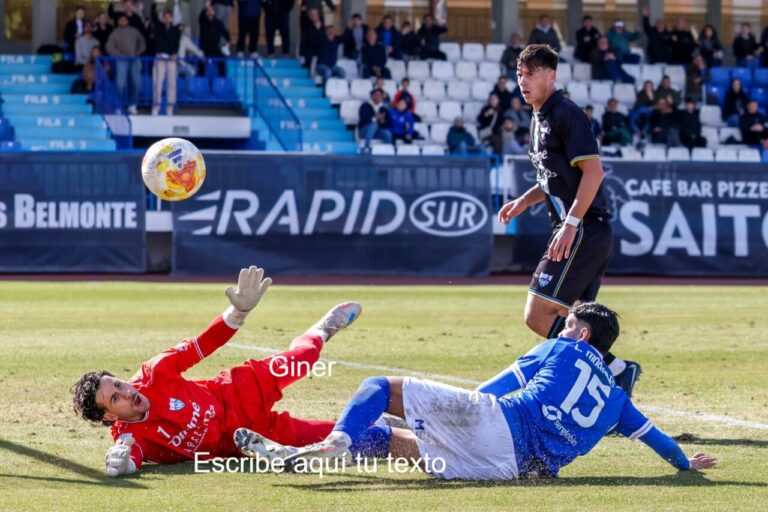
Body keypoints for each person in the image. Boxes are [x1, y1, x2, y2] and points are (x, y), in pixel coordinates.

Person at [239, 302, 717, 481]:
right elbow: (660, 442)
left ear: (583, 333)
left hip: (496, 423)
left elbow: (502, 385)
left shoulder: (562, 350)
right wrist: (684, 464)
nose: (562, 328)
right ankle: (298, 454)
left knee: (378, 389)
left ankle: (335, 441)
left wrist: (452, 409)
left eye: (569, 324)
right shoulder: (618, 401)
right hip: (509, 470)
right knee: (394, 444)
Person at [71, 266, 363, 477]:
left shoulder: (154, 373)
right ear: (109, 416)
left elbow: (203, 344)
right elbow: (130, 458)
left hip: (236, 392)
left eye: (119, 384)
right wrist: (121, 466)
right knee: (342, 437)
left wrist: (238, 313)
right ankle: (386, 421)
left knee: (304, 358)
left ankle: (322, 329)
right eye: (115, 398)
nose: (126, 392)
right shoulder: (129, 436)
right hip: (246, 438)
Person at [498, 45, 640, 396]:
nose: (523, 80)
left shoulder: (566, 114)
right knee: (578, 323)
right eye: (520, 74)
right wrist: (523, 200)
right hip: (584, 231)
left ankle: (612, 373)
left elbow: (593, 173)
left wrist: (572, 223)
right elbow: (552, 177)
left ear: (551, 75)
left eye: (531, 73)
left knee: (537, 315)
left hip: (583, 230)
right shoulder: (538, 117)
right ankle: (616, 374)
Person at [106, 13, 146, 115]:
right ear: (118, 22)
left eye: (125, 20)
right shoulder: (115, 33)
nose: (123, 21)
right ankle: (119, 105)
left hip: (134, 59)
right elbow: (109, 47)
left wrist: (138, 51)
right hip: (121, 60)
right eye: (121, 20)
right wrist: (119, 54)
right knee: (120, 84)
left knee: (136, 83)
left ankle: (132, 105)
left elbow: (142, 42)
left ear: (127, 21)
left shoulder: (134, 31)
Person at [152, 8, 181, 116]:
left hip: (171, 59)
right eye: (165, 17)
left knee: (172, 84)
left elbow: (177, 43)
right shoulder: (159, 27)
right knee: (158, 83)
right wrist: (154, 4)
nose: (167, 18)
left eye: (169, 16)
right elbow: (154, 17)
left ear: (172, 18)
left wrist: (174, 53)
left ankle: (170, 108)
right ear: (163, 18)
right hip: (160, 58)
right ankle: (156, 107)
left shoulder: (175, 30)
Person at [198, 3, 230, 76]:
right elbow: (201, 17)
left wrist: (227, 42)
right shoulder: (203, 22)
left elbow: (226, 34)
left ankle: (222, 78)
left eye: (211, 10)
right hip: (204, 50)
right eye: (208, 11)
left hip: (215, 49)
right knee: (200, 60)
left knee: (222, 59)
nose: (210, 12)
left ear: (214, 12)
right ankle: (200, 79)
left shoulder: (218, 23)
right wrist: (206, 7)